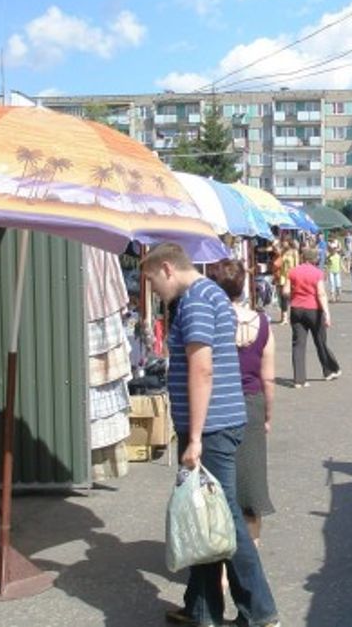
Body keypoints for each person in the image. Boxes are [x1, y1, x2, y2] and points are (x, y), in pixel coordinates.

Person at [140, 244, 280, 627]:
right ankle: (202, 609)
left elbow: (202, 370)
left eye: (152, 281)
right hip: (218, 423)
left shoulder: (196, 301)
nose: (152, 291)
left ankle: (261, 611)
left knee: (224, 519)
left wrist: (196, 437)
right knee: (202, 517)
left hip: (212, 428)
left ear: (166, 269)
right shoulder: (209, 294)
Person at [206, 258, 276, 546]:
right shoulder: (261, 323)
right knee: (252, 479)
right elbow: (268, 378)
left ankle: (221, 561)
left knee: (218, 480)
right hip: (252, 402)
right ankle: (252, 549)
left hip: (217, 403)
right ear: (243, 286)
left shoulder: (210, 321)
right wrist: (268, 414)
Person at [288, 247, 341, 387]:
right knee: (320, 341)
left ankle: (299, 380)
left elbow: (286, 291)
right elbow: (321, 293)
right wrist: (327, 313)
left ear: (302, 257)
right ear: (314, 259)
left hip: (296, 308)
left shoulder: (293, 271)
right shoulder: (317, 273)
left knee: (298, 344)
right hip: (313, 309)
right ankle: (329, 370)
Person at [275, 240, 299, 326]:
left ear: (289, 243)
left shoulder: (294, 252)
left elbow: (297, 265)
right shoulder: (283, 252)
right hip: (282, 276)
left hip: (291, 276)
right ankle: (284, 317)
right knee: (283, 297)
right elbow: (278, 262)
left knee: (291, 296)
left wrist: (297, 276)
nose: (284, 244)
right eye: (283, 242)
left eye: (285, 242)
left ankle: (294, 316)